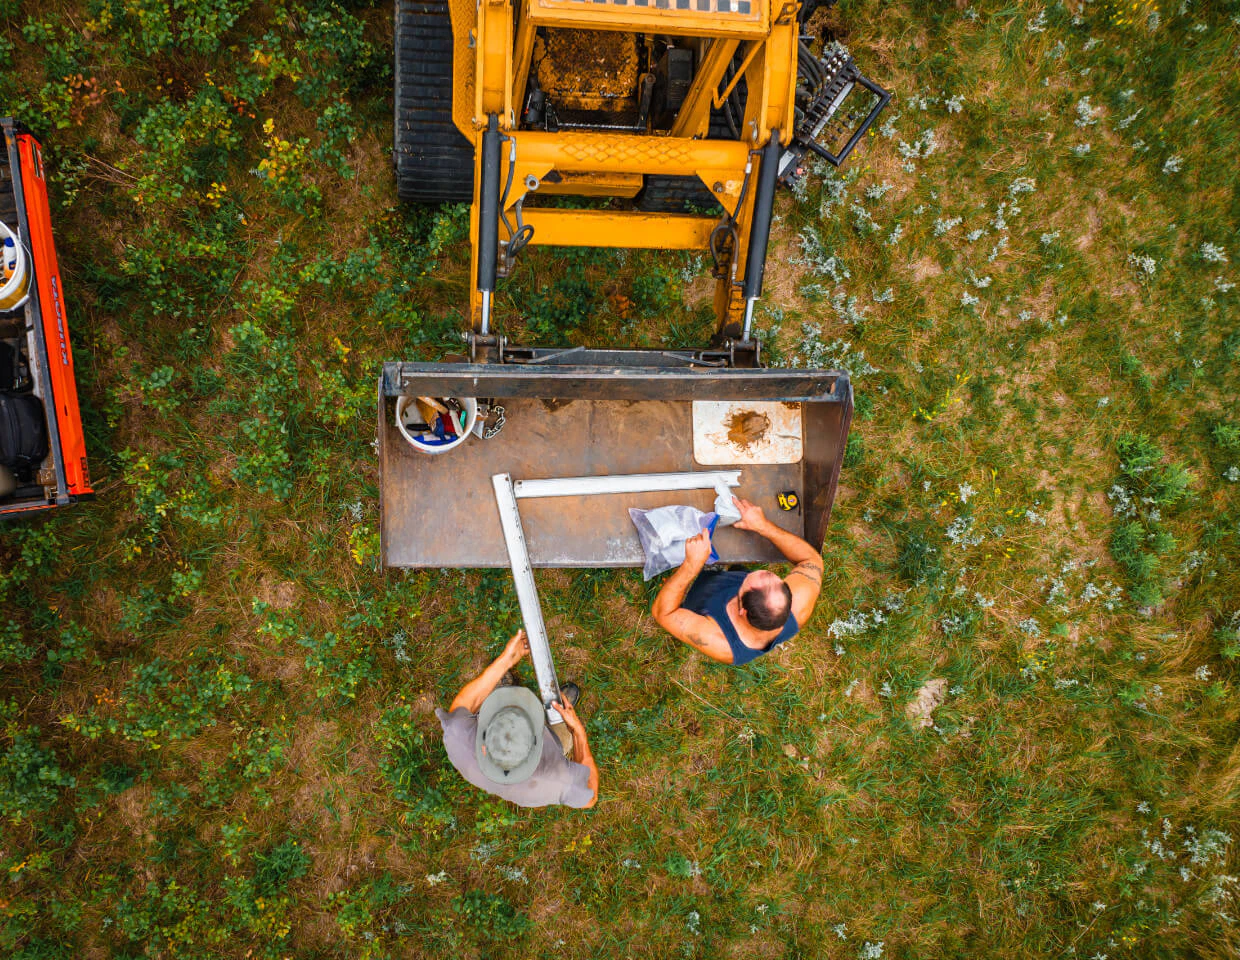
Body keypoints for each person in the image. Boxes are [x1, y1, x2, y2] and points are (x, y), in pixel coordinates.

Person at [651, 496, 823, 666]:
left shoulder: (721, 642)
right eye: (767, 574)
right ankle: (716, 572)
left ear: (742, 611)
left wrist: (691, 565)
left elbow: (664, 613)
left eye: (747, 580)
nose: (760, 572)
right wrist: (763, 526)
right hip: (722, 582)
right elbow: (811, 560)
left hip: (699, 601)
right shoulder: (798, 606)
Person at [436, 629, 598, 808]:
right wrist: (577, 731)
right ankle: (555, 722)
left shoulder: (458, 737)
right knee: (563, 738)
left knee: (488, 697)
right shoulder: (553, 780)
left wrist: (506, 660)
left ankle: (501, 691)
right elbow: (590, 798)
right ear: (535, 746)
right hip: (550, 751)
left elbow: (463, 705)